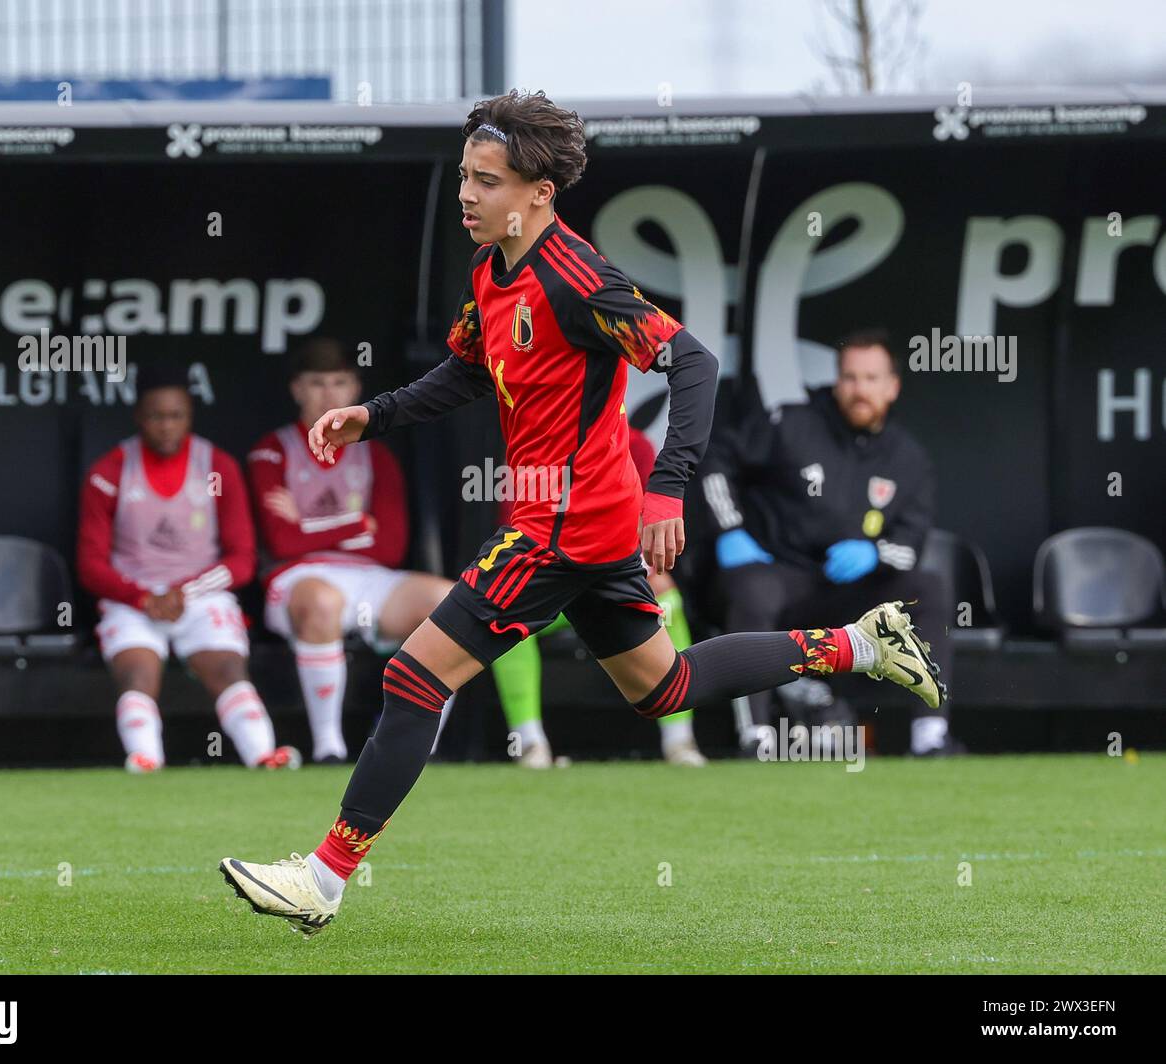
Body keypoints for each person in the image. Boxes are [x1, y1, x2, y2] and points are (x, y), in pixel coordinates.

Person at [220, 91, 944, 936]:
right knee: (665, 687)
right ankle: (858, 643)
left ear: (538, 193)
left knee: (412, 676)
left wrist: (667, 485)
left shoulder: (577, 277)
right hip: (575, 527)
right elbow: (464, 373)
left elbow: (693, 362)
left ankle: (325, 879)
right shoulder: (492, 269)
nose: (467, 195)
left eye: (486, 182)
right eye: (464, 177)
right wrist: (371, 415)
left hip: (563, 524)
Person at [693, 329, 959, 757]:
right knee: (751, 588)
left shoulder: (908, 459)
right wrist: (730, 531)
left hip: (848, 594)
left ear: (892, 387)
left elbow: (909, 546)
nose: (859, 390)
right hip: (779, 576)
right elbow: (716, 462)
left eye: (871, 379)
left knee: (927, 587)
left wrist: (873, 553)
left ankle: (931, 736)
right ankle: (755, 737)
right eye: (850, 378)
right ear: (837, 381)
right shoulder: (792, 423)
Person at [77, 362, 297, 772]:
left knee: (229, 669)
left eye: (176, 416)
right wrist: (142, 597)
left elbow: (242, 559)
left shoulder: (218, 467)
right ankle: (145, 758)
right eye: (157, 416)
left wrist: (184, 593)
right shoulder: (108, 472)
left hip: (199, 595)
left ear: (189, 416)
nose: (166, 426)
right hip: (132, 598)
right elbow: (90, 565)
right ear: (139, 416)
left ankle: (263, 754)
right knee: (137, 674)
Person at [247, 338, 456, 764]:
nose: (328, 394)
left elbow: (391, 546)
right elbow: (282, 543)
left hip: (368, 578)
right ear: (297, 390)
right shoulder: (272, 450)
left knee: (455, 605)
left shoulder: (376, 457)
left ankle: (408, 745)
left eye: (339, 382)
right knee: (323, 602)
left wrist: (307, 525)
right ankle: (329, 749)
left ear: (355, 388)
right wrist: (356, 524)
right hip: (297, 579)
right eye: (317, 383)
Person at [491, 425, 707, 767]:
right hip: (552, 587)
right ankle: (529, 743)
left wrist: (648, 573)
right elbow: (520, 531)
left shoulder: (634, 445)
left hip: (614, 580)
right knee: (503, 615)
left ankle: (679, 741)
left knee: (669, 602)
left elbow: (645, 523)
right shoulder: (532, 448)